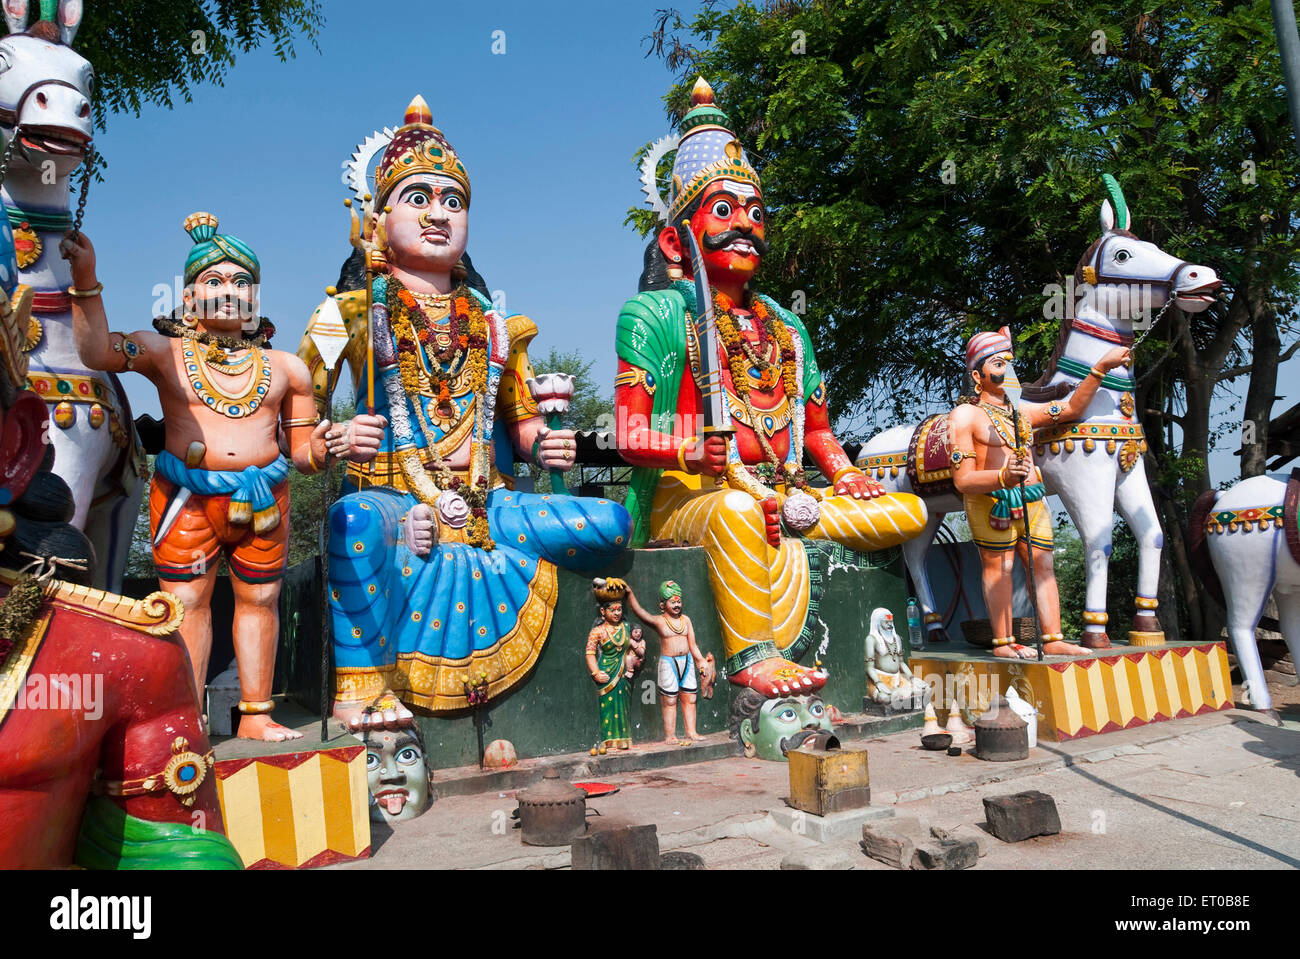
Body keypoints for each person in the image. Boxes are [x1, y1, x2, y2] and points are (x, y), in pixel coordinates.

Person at [299, 97, 630, 727]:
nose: (437, 214)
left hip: (489, 504)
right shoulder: (342, 314)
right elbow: (294, 428)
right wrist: (335, 438)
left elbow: (523, 426)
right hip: (395, 499)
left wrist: (543, 447)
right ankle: (363, 689)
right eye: (418, 196)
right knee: (354, 522)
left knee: (609, 523)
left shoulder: (497, 327)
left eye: (453, 201)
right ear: (377, 217)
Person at [616, 77, 927, 700]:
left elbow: (815, 430)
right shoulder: (652, 315)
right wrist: (687, 452)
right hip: (693, 496)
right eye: (724, 212)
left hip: (790, 492)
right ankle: (751, 658)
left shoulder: (787, 327)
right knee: (735, 511)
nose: (747, 227)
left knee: (909, 509)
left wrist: (842, 475)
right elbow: (626, 433)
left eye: (757, 214)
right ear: (677, 238)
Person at [62, 214, 344, 741]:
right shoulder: (163, 352)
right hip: (185, 498)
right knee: (188, 603)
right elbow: (96, 352)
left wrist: (325, 449)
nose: (230, 292)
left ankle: (256, 714)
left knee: (260, 601)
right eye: (214, 281)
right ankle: (189, 718)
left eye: (242, 282)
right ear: (188, 299)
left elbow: (303, 453)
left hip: (265, 498)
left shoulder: (288, 368)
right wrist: (86, 281)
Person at [949, 327, 1130, 658]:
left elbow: (1072, 407)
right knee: (999, 569)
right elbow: (963, 480)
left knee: (1043, 565)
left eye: (1010, 363)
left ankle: (1053, 637)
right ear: (978, 374)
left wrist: (1100, 368)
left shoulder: (1023, 413)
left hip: (1032, 501)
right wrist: (1003, 476)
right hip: (991, 504)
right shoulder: (965, 416)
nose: (1008, 371)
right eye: (998, 364)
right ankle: (1003, 643)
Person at [623, 579, 713, 743]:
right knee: (670, 700)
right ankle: (670, 734)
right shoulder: (659, 621)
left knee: (690, 697)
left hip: (687, 661)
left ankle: (691, 732)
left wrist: (700, 660)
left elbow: (692, 644)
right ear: (663, 605)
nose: (677, 604)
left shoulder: (686, 620)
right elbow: (641, 613)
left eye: (679, 601)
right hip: (669, 663)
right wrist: (629, 594)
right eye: (673, 602)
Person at [584, 578, 645, 753]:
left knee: (623, 707)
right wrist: (595, 672)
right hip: (606, 671)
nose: (617, 613)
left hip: (623, 672)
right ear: (603, 612)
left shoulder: (627, 627)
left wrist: (639, 654)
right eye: (613, 610)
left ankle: (623, 740)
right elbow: (589, 653)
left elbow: (636, 647)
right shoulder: (598, 631)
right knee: (608, 708)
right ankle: (608, 740)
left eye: (619, 609)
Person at [864, 607, 927, 709]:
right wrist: (878, 683)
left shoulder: (896, 638)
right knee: (884, 698)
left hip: (898, 679)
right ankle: (899, 693)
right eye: (886, 622)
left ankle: (898, 692)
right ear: (878, 623)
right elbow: (869, 668)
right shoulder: (871, 639)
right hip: (879, 680)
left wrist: (912, 678)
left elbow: (901, 663)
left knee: (924, 689)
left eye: (891, 622)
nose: (890, 625)